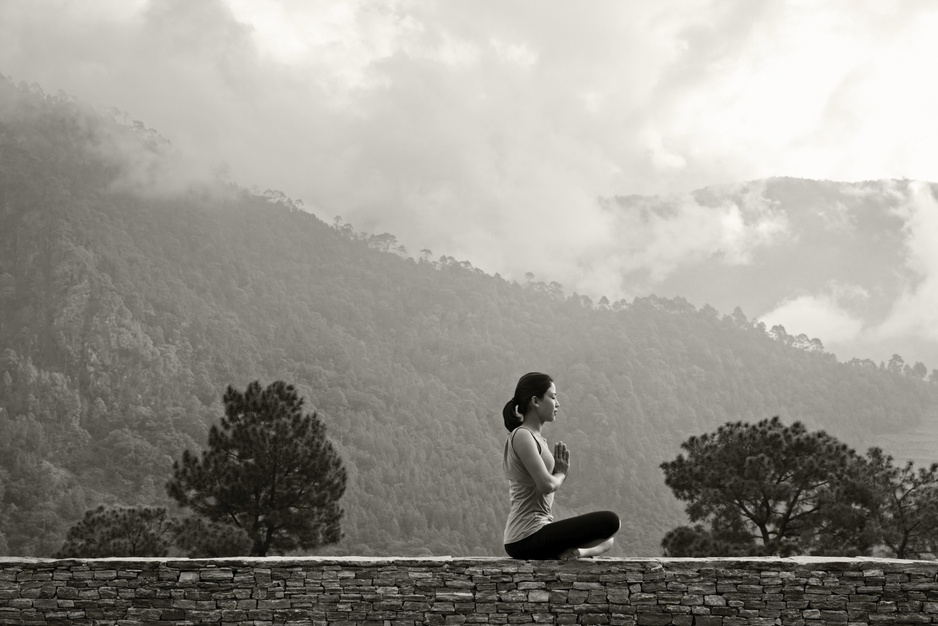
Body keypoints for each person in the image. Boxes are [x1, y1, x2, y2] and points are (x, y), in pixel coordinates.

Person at [502, 372, 620, 559]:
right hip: (524, 536)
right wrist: (561, 473)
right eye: (553, 397)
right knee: (610, 521)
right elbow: (546, 485)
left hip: (541, 530)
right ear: (535, 401)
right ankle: (574, 552)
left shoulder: (537, 439)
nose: (557, 404)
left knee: (608, 539)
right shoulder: (522, 435)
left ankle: (575, 553)